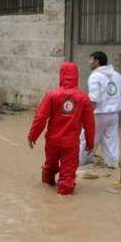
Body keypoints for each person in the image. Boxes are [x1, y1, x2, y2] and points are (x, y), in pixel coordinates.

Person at [28, 62, 95, 195]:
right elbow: (89, 123)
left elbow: (40, 118)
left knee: (49, 167)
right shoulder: (83, 98)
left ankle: (47, 195)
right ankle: (63, 205)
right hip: (70, 143)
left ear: (61, 75)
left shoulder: (51, 95)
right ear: (77, 76)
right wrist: (90, 142)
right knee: (67, 175)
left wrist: (32, 136)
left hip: (52, 141)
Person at [80, 52, 121, 169]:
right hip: (114, 115)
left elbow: (93, 98)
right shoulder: (116, 75)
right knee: (111, 140)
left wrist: (86, 116)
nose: (89, 62)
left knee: (87, 138)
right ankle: (112, 163)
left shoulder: (95, 76)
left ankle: (80, 162)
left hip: (98, 114)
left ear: (97, 61)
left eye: (90, 60)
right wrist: (114, 102)